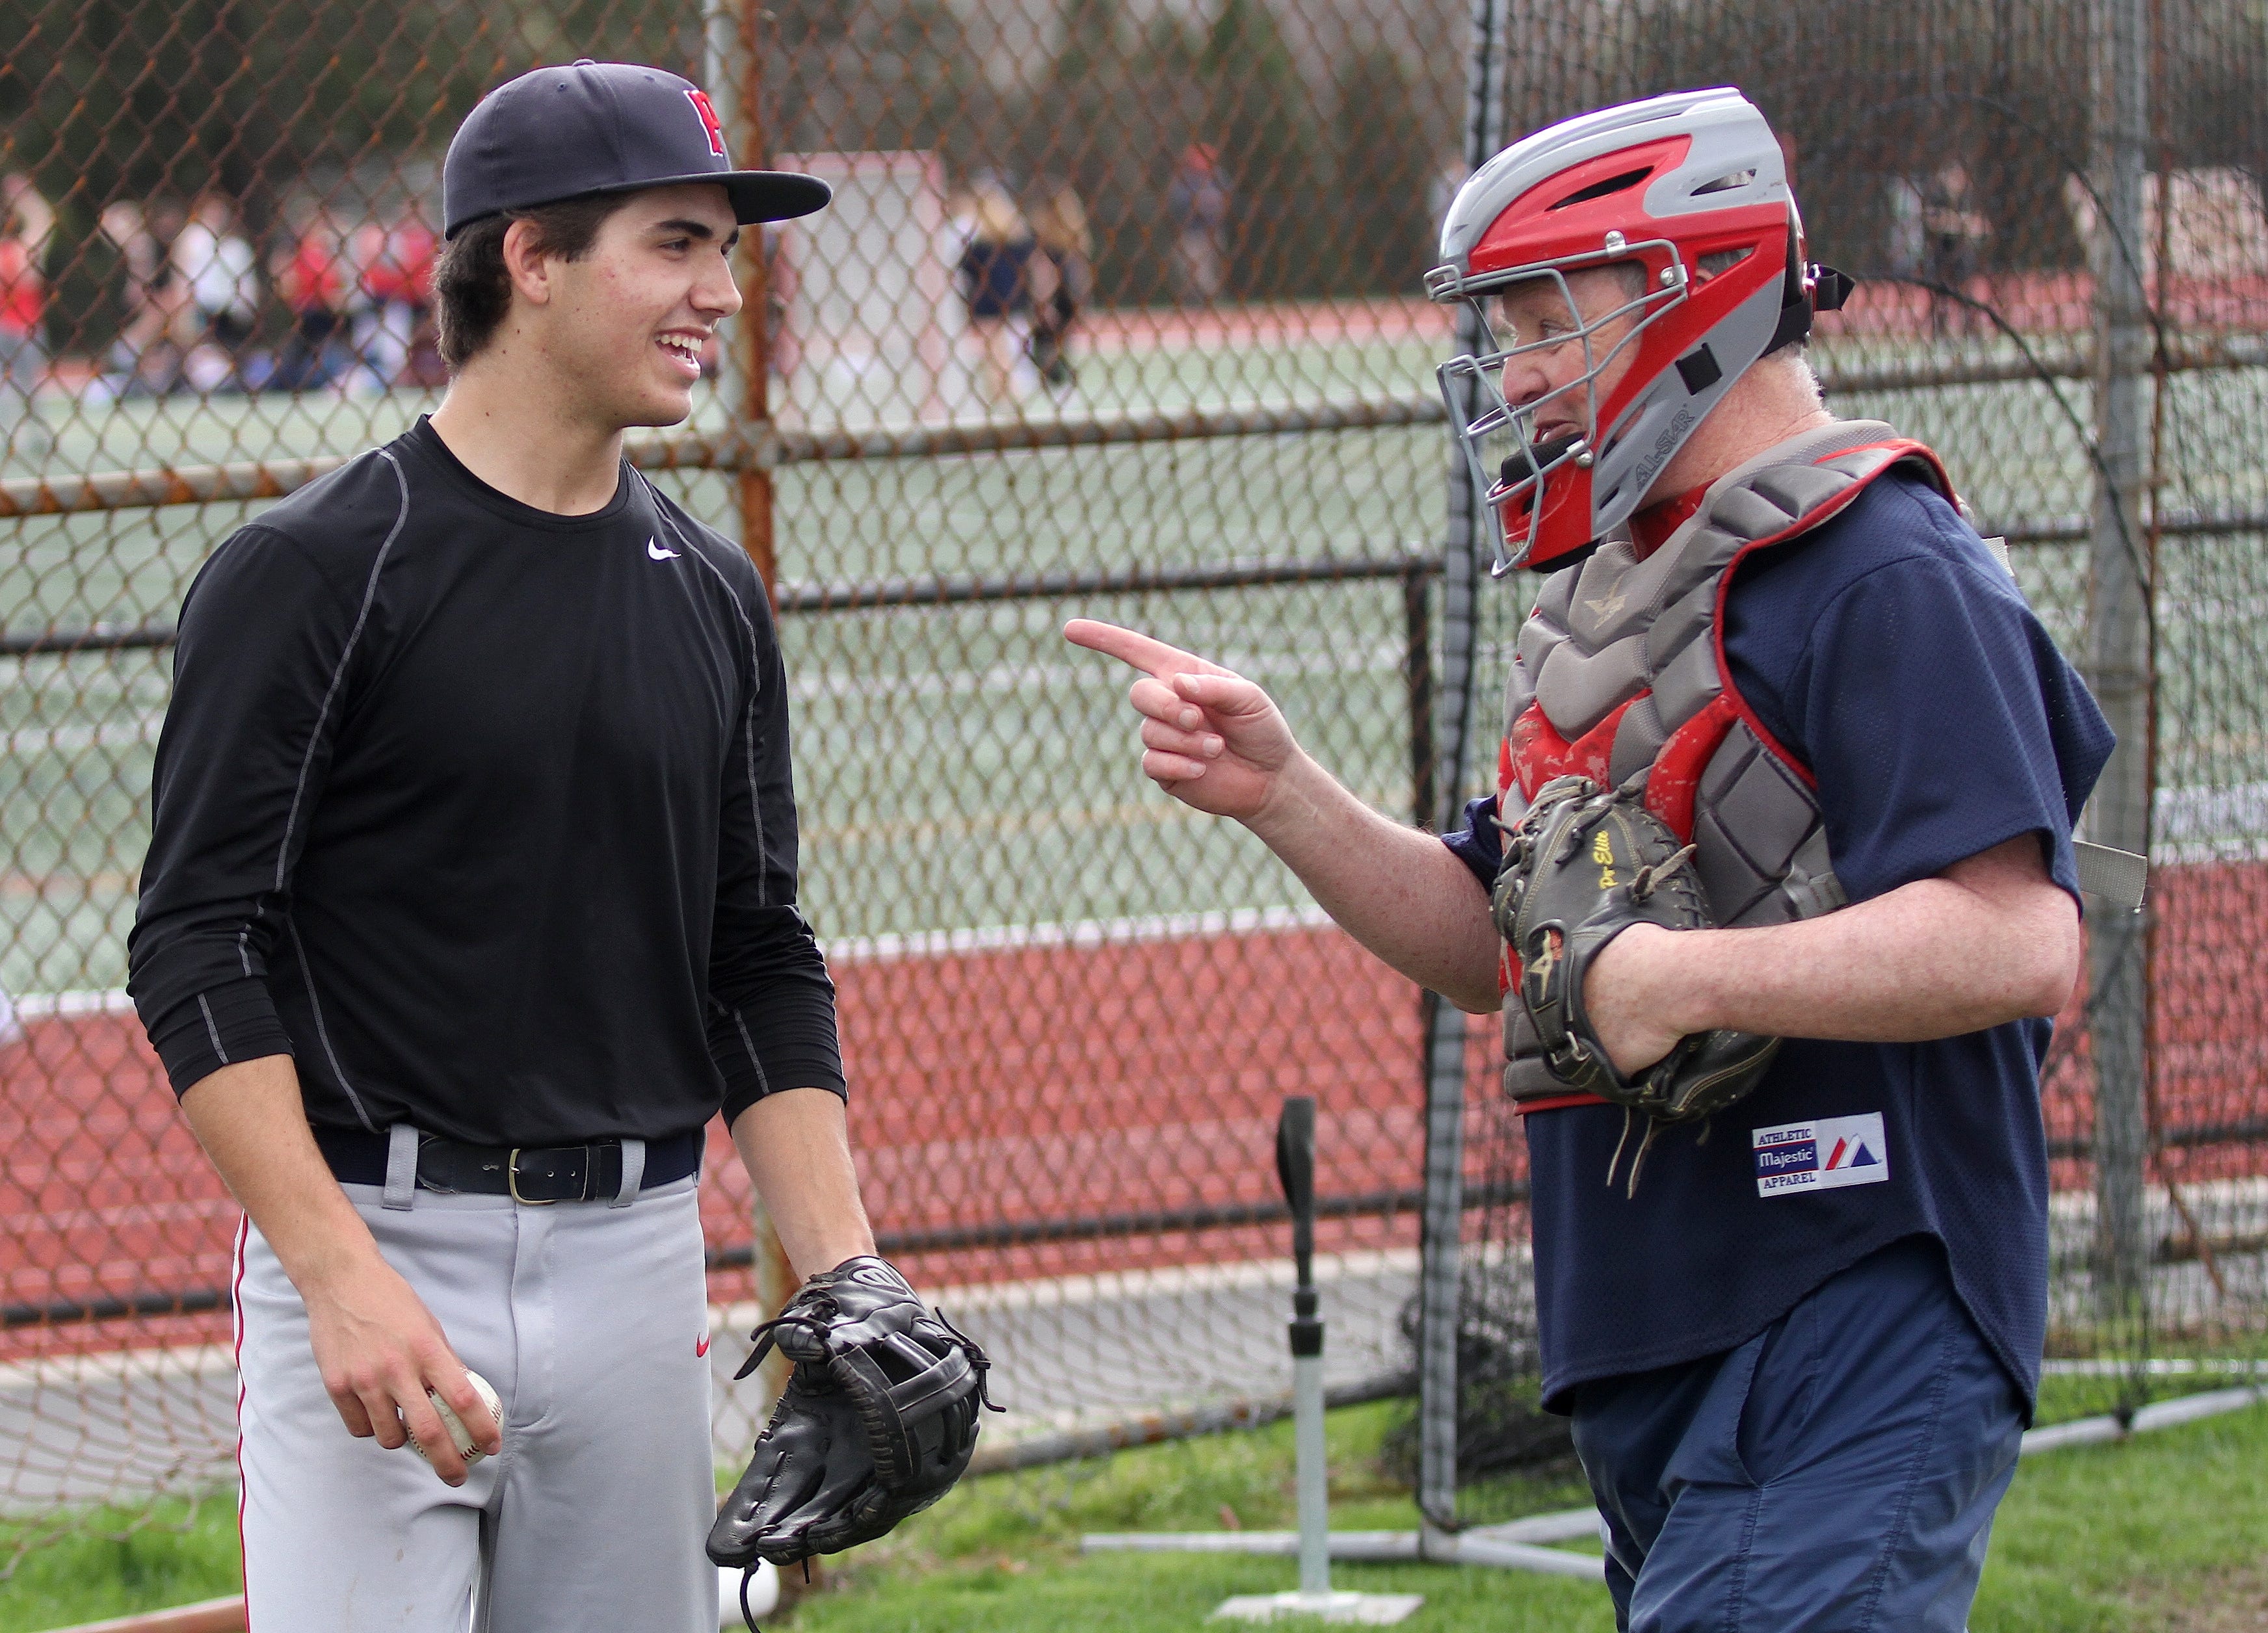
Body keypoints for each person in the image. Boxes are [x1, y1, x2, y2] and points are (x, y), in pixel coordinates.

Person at [1068, 88, 2112, 1632]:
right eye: (1504, 325)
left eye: (1548, 318)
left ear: (1699, 290)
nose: (1522, 372)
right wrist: (1284, 793)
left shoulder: (1882, 564)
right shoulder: (1612, 590)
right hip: (1654, 1324)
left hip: (1849, 1298)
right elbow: (1508, 949)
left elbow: (2015, 938)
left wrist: (1675, 976)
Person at [127, 60, 885, 1633]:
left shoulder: (709, 589)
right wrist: (334, 1271)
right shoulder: (314, 570)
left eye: (721, 249)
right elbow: (199, 940)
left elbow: (756, 954)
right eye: (675, 242)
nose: (718, 290)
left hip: (636, 1265)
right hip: (378, 1244)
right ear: (530, 259)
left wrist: (845, 1278)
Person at [955, 175, 1049, 406]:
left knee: (996, 357)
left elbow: (966, 276)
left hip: (988, 305)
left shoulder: (978, 245)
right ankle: (1008, 396)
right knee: (1011, 354)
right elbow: (1036, 270)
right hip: (1015, 302)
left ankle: (1001, 397)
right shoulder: (1020, 238)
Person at [172, 189, 261, 386]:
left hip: (229, 312)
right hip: (201, 308)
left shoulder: (237, 246)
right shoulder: (193, 238)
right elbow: (181, 278)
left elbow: (248, 287)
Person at [0, 174, 55, 452]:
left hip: (11, 327)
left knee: (13, 386)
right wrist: (28, 198)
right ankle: (34, 435)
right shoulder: (21, 251)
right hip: (24, 327)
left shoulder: (12, 252)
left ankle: (16, 436)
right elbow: (44, 222)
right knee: (29, 385)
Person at [1025, 178, 1093, 394]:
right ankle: (1052, 366)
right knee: (1052, 342)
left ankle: (1053, 367)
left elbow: (1076, 275)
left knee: (1053, 343)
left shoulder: (1062, 241)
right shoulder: (1051, 241)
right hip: (1057, 299)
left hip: (1060, 298)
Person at [1166, 142, 1230, 306]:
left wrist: (1207, 203)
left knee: (1207, 273)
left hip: (1212, 232)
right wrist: (1200, 203)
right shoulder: (1185, 178)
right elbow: (1179, 201)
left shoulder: (1217, 176)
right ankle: (1200, 304)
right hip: (1192, 233)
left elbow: (1224, 200)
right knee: (1191, 272)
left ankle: (1210, 303)